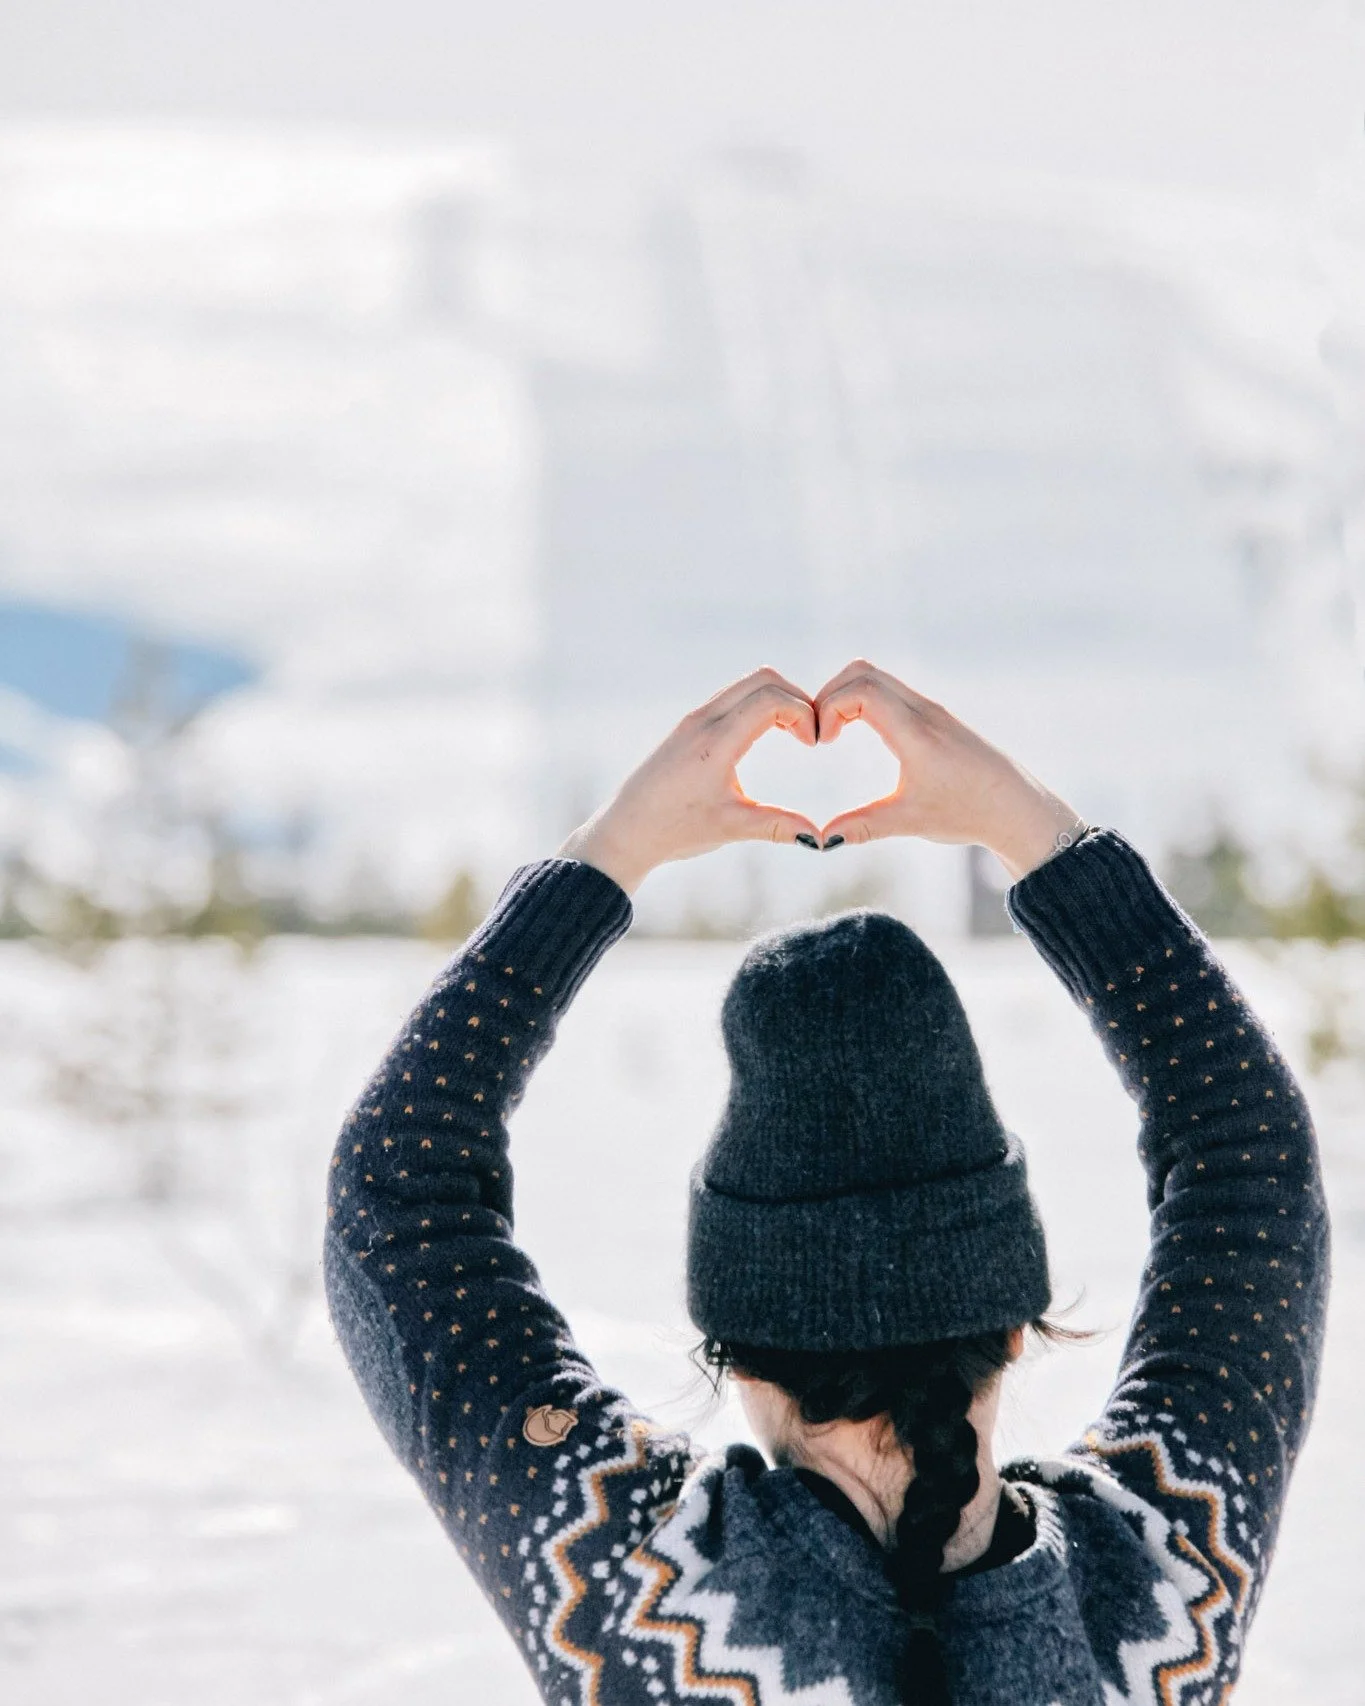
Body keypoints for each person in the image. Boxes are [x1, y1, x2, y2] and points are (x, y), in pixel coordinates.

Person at [325, 662, 1329, 1704]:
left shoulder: (631, 1588)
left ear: (740, 1360)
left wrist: (610, 853)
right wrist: (1034, 831)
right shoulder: (1165, 1581)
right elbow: (1248, 1166)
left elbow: (394, 1195)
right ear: (1017, 1323)